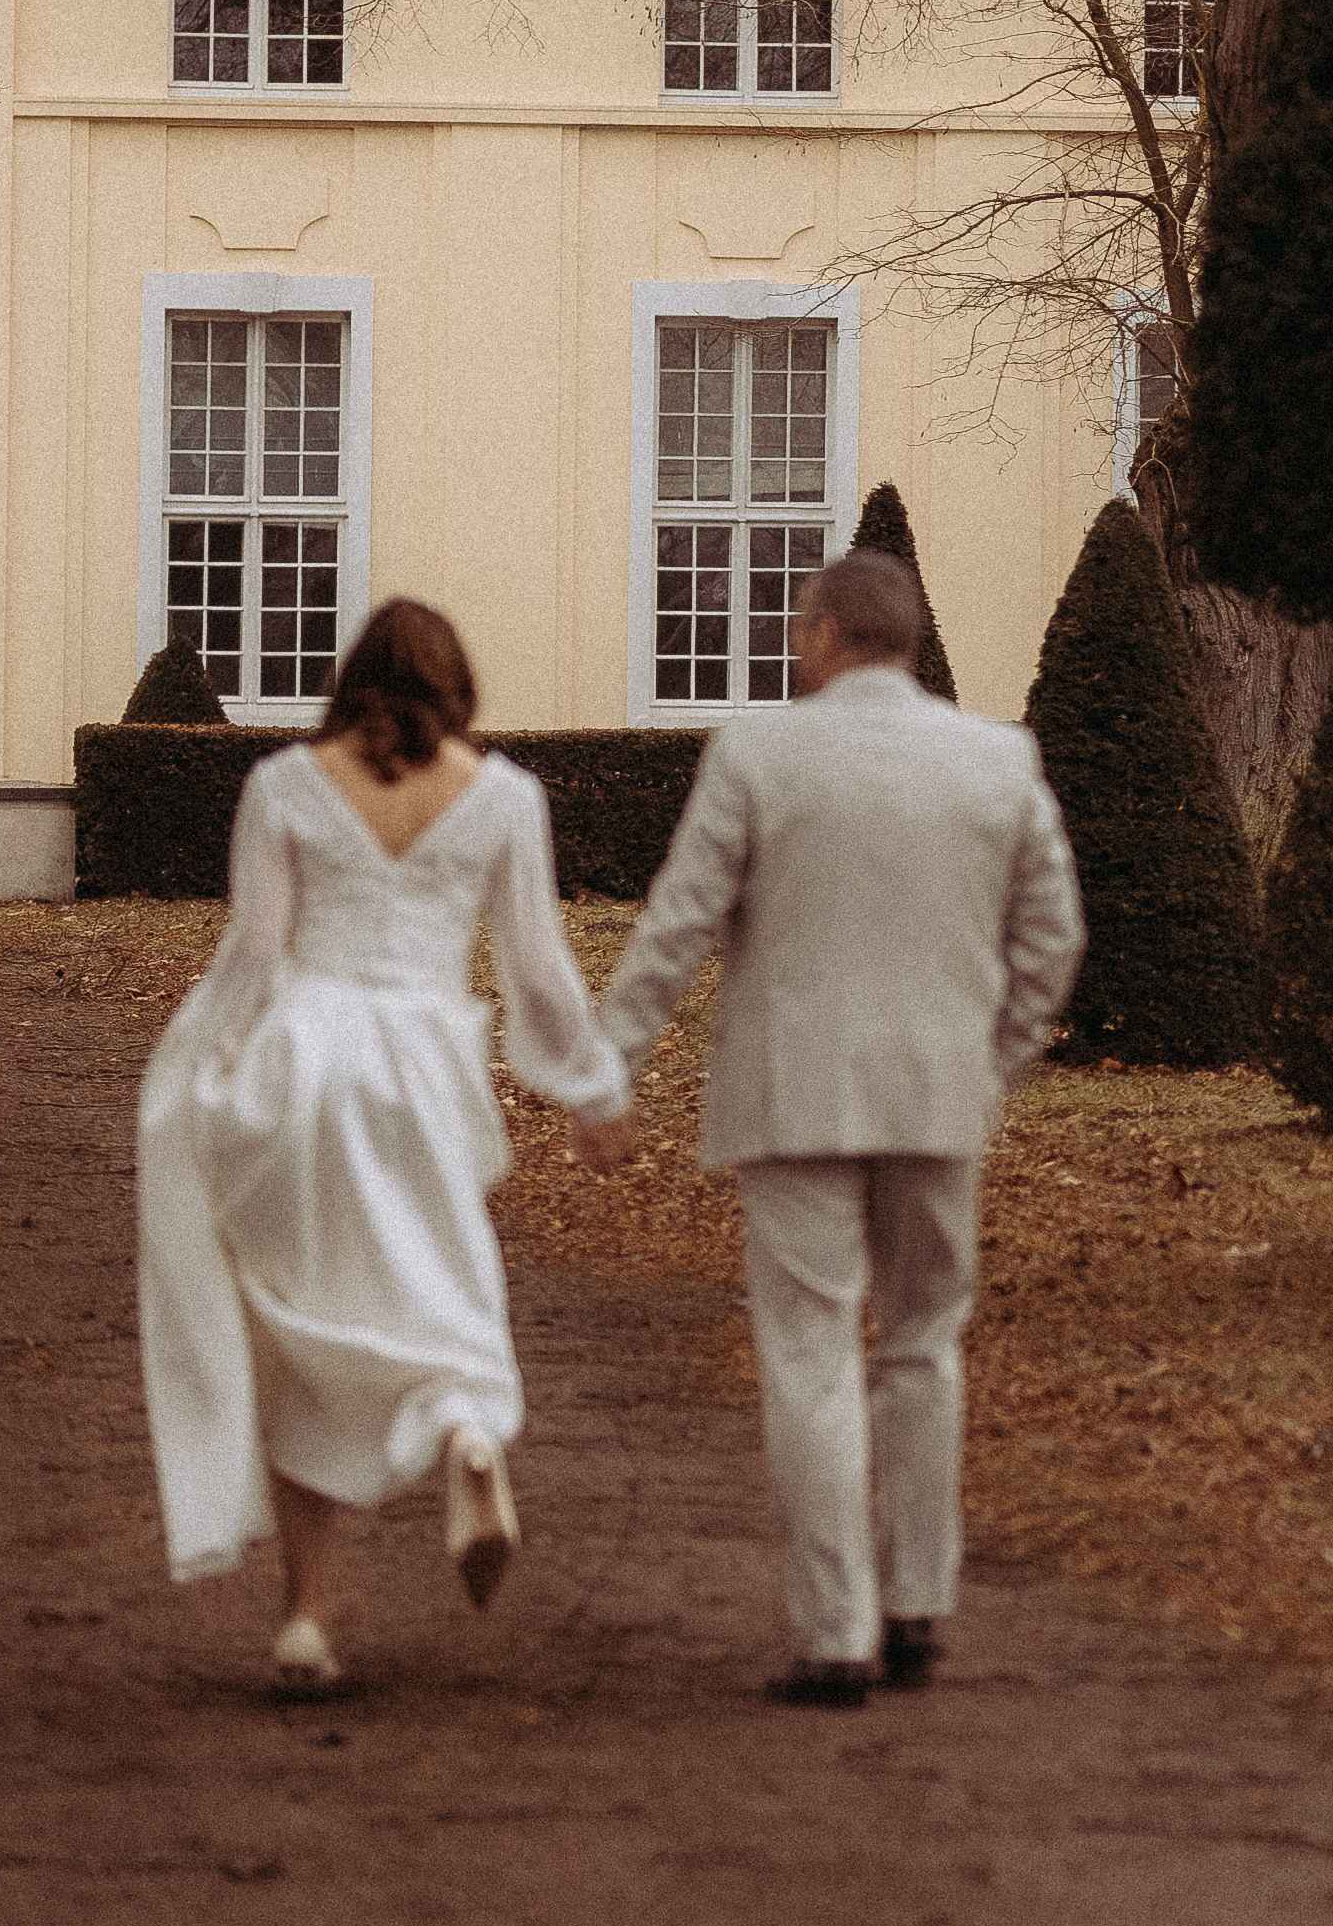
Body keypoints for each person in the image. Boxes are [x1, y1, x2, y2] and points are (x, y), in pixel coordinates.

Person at [589, 547, 1083, 1707]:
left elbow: (679, 925)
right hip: (937, 1097)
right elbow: (1051, 940)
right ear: (909, 639)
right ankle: (918, 1605)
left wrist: (607, 1065)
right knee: (922, 1347)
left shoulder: (758, 751)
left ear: (820, 634)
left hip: (792, 1095)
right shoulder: (998, 759)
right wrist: (991, 1062)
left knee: (811, 1359)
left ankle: (835, 1633)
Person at [138, 598, 639, 1701]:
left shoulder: (283, 786)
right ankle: (464, 1425)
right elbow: (539, 970)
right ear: (457, 687)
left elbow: (256, 957)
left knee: (299, 1323)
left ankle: (308, 1619)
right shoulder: (505, 798)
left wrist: (195, 1066)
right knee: (439, 1288)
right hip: (427, 1071)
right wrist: (594, 1091)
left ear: (349, 677)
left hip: (306, 1065)